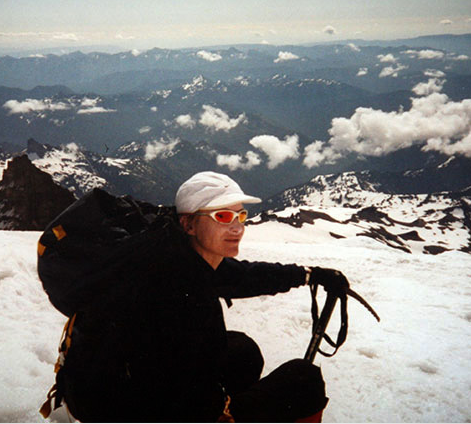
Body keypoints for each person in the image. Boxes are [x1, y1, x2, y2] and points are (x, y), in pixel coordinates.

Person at [64, 171, 350, 422]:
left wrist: (308, 275)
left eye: (240, 216)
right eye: (223, 217)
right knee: (304, 380)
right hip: (134, 412)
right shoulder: (178, 292)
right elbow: (174, 397)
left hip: (112, 389)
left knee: (243, 352)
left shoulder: (178, 253)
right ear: (189, 224)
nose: (237, 227)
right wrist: (225, 410)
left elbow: (240, 275)